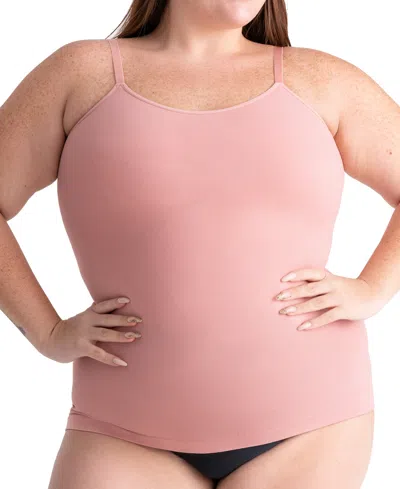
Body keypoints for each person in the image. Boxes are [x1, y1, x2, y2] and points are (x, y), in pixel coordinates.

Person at [1, 0, 399, 487]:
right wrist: (46, 332)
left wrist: (374, 289)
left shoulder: (321, 80)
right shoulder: (82, 75)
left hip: (311, 423)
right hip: (119, 428)